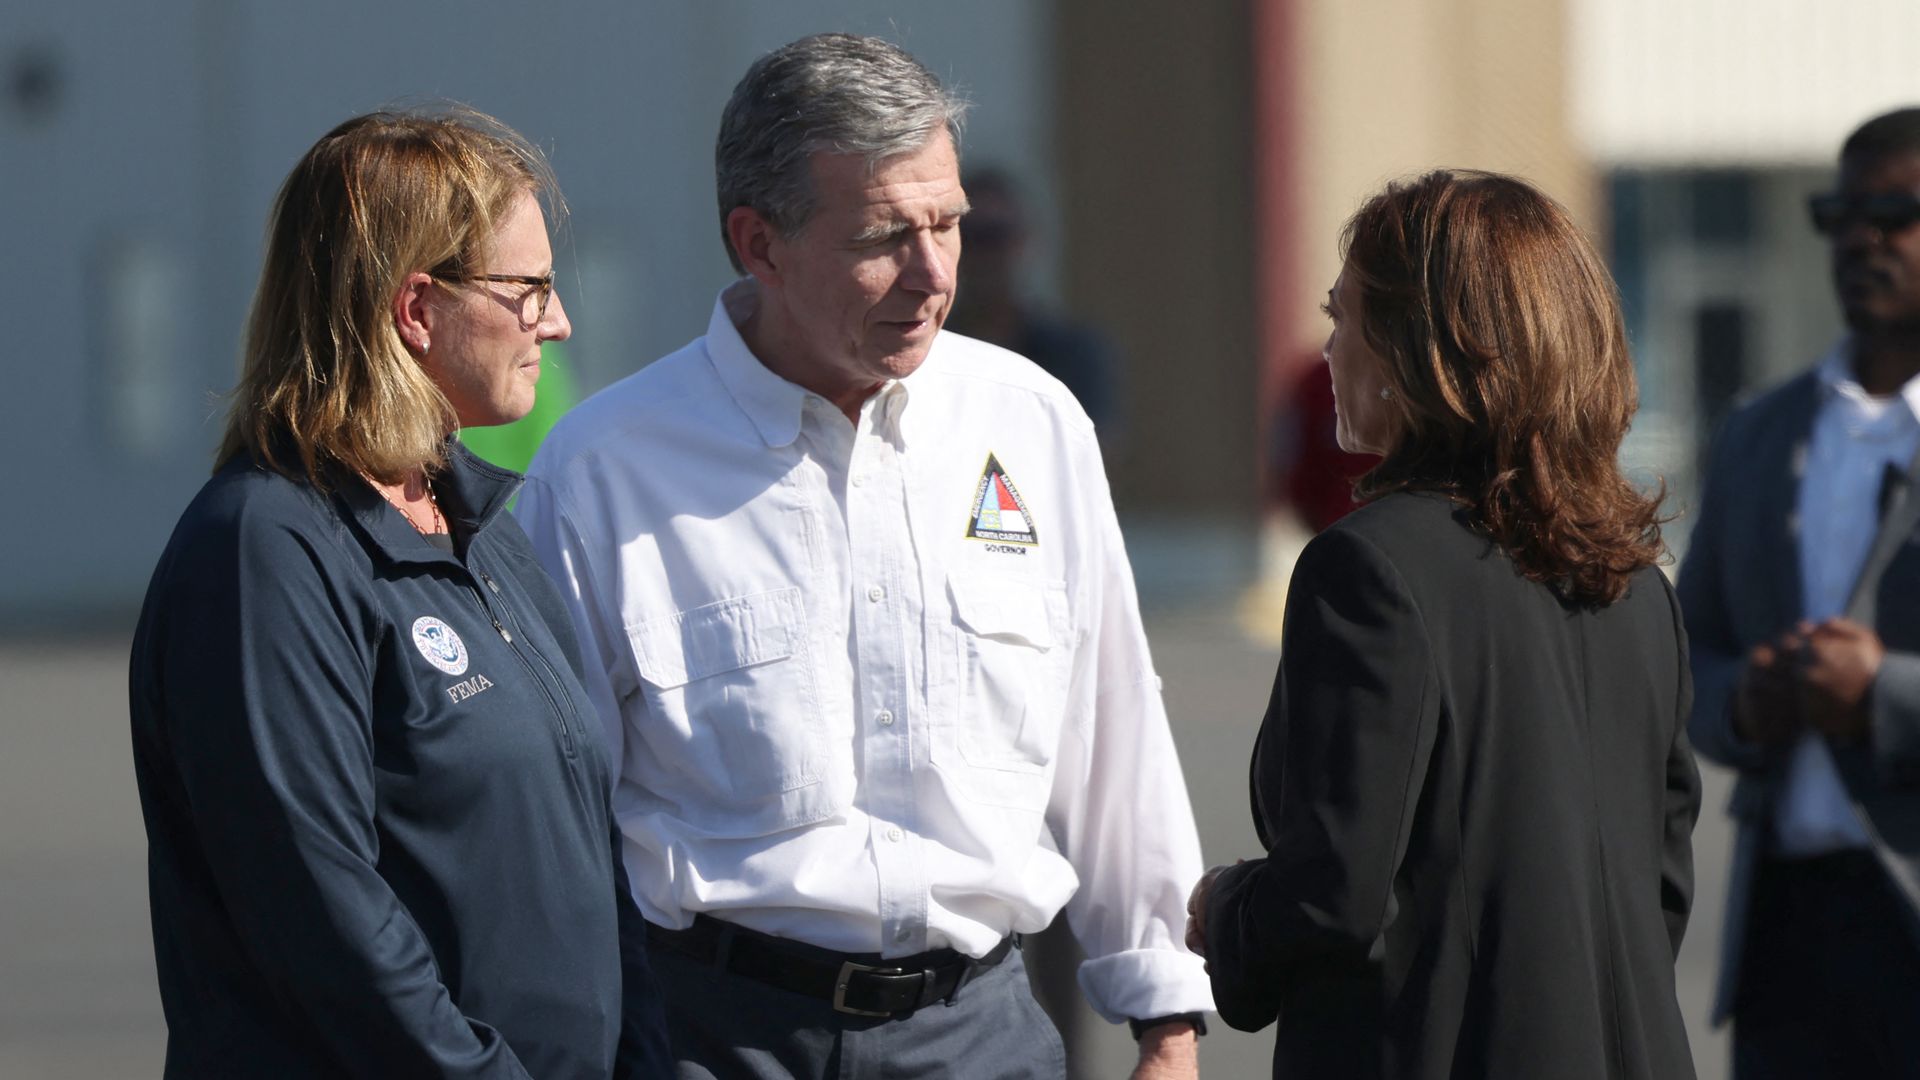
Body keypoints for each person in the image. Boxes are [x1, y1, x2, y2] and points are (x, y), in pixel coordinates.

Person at [518, 33, 1212, 1080]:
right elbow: (549, 824)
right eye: (886, 235)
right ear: (758, 243)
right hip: (708, 1037)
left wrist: (1165, 1020)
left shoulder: (1030, 425)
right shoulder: (604, 470)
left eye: (948, 225)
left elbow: (1114, 731)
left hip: (982, 1034)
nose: (933, 274)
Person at [128, 108, 669, 1078]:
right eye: (530, 290)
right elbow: (326, 920)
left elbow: (589, 855)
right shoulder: (268, 551)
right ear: (417, 308)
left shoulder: (478, 530)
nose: (559, 320)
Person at [1186, 170, 1700, 1079]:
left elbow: (1335, 893)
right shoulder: (1636, 583)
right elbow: (1658, 889)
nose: (1330, 347)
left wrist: (1225, 909)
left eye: (1343, 315)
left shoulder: (1369, 569)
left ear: (1419, 349)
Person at [1679, 106, 1920, 1079]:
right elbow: (1685, 650)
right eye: (1839, 214)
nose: (1861, 238)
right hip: (1786, 932)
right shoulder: (1760, 433)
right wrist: (1739, 699)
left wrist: (1885, 695)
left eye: (1896, 210)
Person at [945, 166, 1124, 450]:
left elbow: (1093, 457)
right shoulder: (927, 350)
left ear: (1024, 241)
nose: (984, 254)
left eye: (996, 235)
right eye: (968, 235)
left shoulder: (1075, 350)